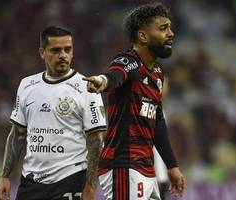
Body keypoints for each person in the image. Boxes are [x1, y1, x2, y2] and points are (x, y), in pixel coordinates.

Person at [83, 3, 186, 200]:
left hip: (146, 168)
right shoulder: (127, 62)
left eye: (170, 27)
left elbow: (158, 124)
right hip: (124, 165)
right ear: (143, 36)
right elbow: (113, 76)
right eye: (163, 28)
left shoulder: (157, 73)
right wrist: (101, 81)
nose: (171, 33)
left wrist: (172, 166)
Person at [0, 26, 107, 200]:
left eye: (67, 49)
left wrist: (91, 186)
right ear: (42, 52)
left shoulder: (87, 87)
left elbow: (96, 141)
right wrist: (5, 175)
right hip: (31, 181)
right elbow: (17, 134)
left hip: (70, 179)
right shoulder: (26, 85)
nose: (63, 55)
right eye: (56, 50)